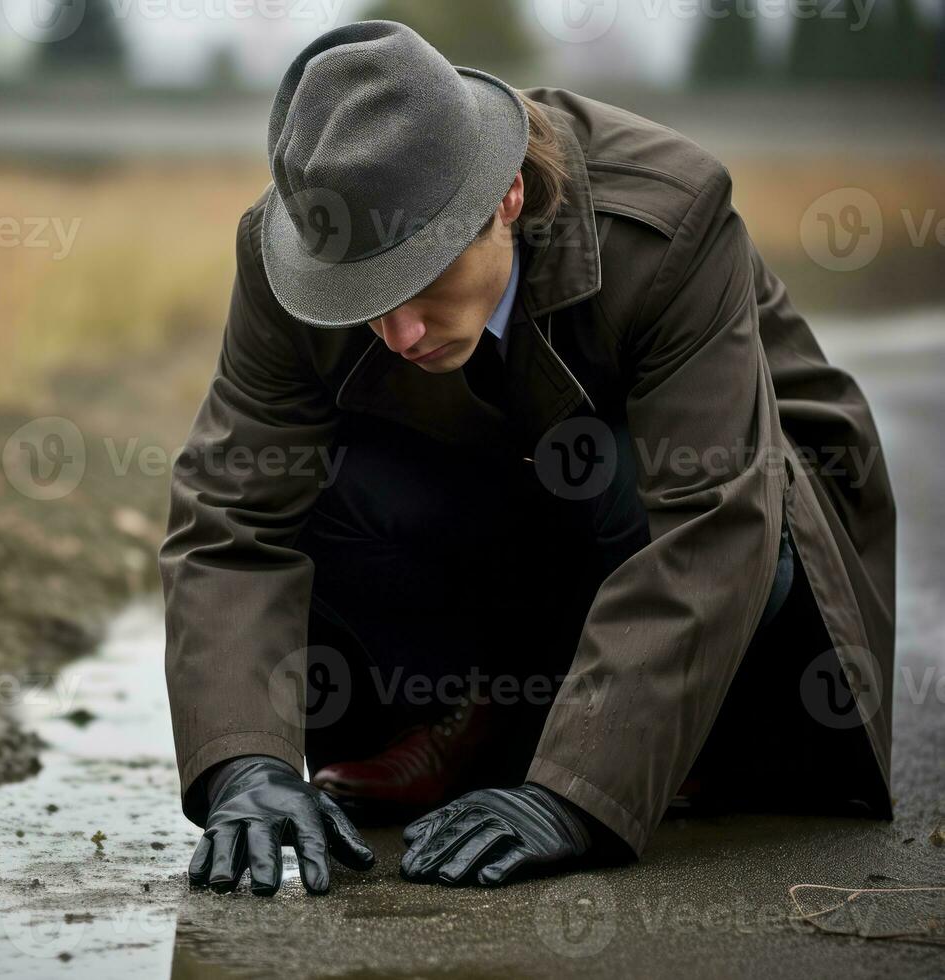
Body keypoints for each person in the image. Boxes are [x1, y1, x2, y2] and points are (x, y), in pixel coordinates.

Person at [159, 21, 895, 895]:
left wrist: (571, 797)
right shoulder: (289, 259)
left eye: (420, 283)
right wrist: (244, 761)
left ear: (506, 198)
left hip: (746, 517)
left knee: (603, 468)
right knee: (324, 479)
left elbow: (715, 517)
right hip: (508, 494)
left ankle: (651, 745)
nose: (396, 334)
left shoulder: (666, 217)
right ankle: (469, 724)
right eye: (362, 301)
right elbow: (233, 515)